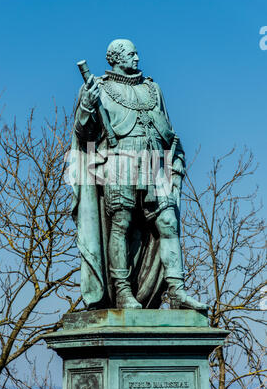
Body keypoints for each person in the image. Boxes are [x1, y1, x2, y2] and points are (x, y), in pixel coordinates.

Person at [69, 38, 207, 311]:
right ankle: (121, 292)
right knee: (122, 223)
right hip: (119, 161)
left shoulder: (152, 88)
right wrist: (87, 105)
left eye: (136, 53)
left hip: (155, 162)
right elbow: (84, 135)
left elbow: (167, 130)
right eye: (131, 53)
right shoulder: (98, 88)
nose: (137, 57)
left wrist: (175, 160)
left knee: (168, 222)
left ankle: (177, 290)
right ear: (116, 58)